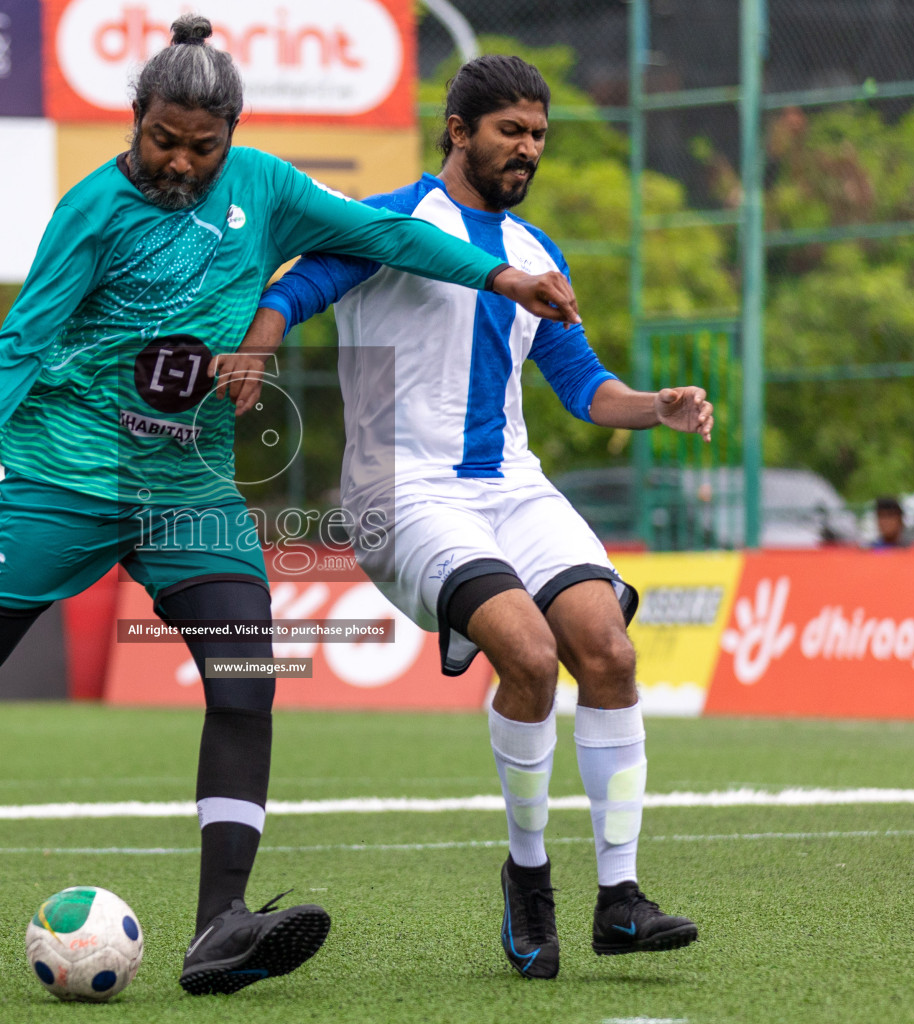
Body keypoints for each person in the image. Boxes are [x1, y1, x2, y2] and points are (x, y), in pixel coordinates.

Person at [0, 17, 581, 996]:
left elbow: (386, 233)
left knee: (246, 671)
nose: (183, 163)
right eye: (164, 141)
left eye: (204, 146)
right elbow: (18, 347)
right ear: (135, 121)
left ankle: (219, 927)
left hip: (189, 487)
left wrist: (497, 273)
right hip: (70, 476)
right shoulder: (92, 212)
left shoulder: (267, 190)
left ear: (232, 132)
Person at [222, 54, 710, 980]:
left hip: (512, 486)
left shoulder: (539, 254)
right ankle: (529, 884)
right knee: (527, 653)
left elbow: (586, 388)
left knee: (606, 648)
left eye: (537, 135)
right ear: (458, 130)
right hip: (398, 491)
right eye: (509, 132)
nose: (526, 150)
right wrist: (258, 340)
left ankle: (621, 900)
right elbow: (292, 289)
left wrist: (658, 405)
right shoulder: (390, 224)